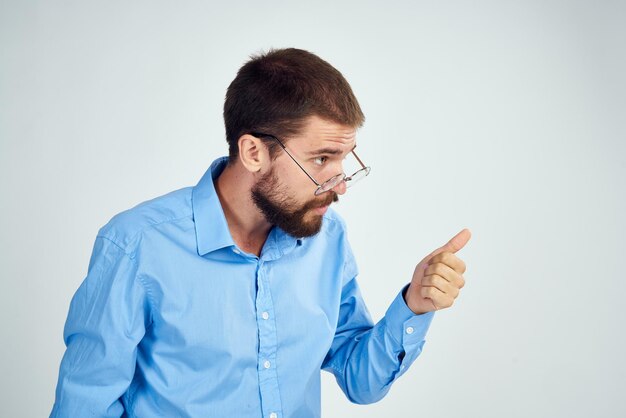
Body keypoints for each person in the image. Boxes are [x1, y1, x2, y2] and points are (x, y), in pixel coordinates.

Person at [50, 47, 471, 418]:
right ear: (253, 152)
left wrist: (414, 306)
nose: (340, 184)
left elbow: (359, 380)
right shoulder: (137, 245)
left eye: (344, 159)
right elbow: (84, 406)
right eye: (322, 158)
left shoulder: (326, 239)